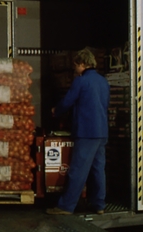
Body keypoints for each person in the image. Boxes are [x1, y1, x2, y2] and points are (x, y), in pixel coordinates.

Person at [46, 47, 109, 216]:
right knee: (98, 170)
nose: (75, 69)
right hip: (102, 132)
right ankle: (99, 205)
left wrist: (56, 111)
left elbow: (68, 101)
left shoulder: (81, 81)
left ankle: (66, 206)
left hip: (86, 132)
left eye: (75, 66)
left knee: (77, 170)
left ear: (82, 64)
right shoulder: (103, 81)